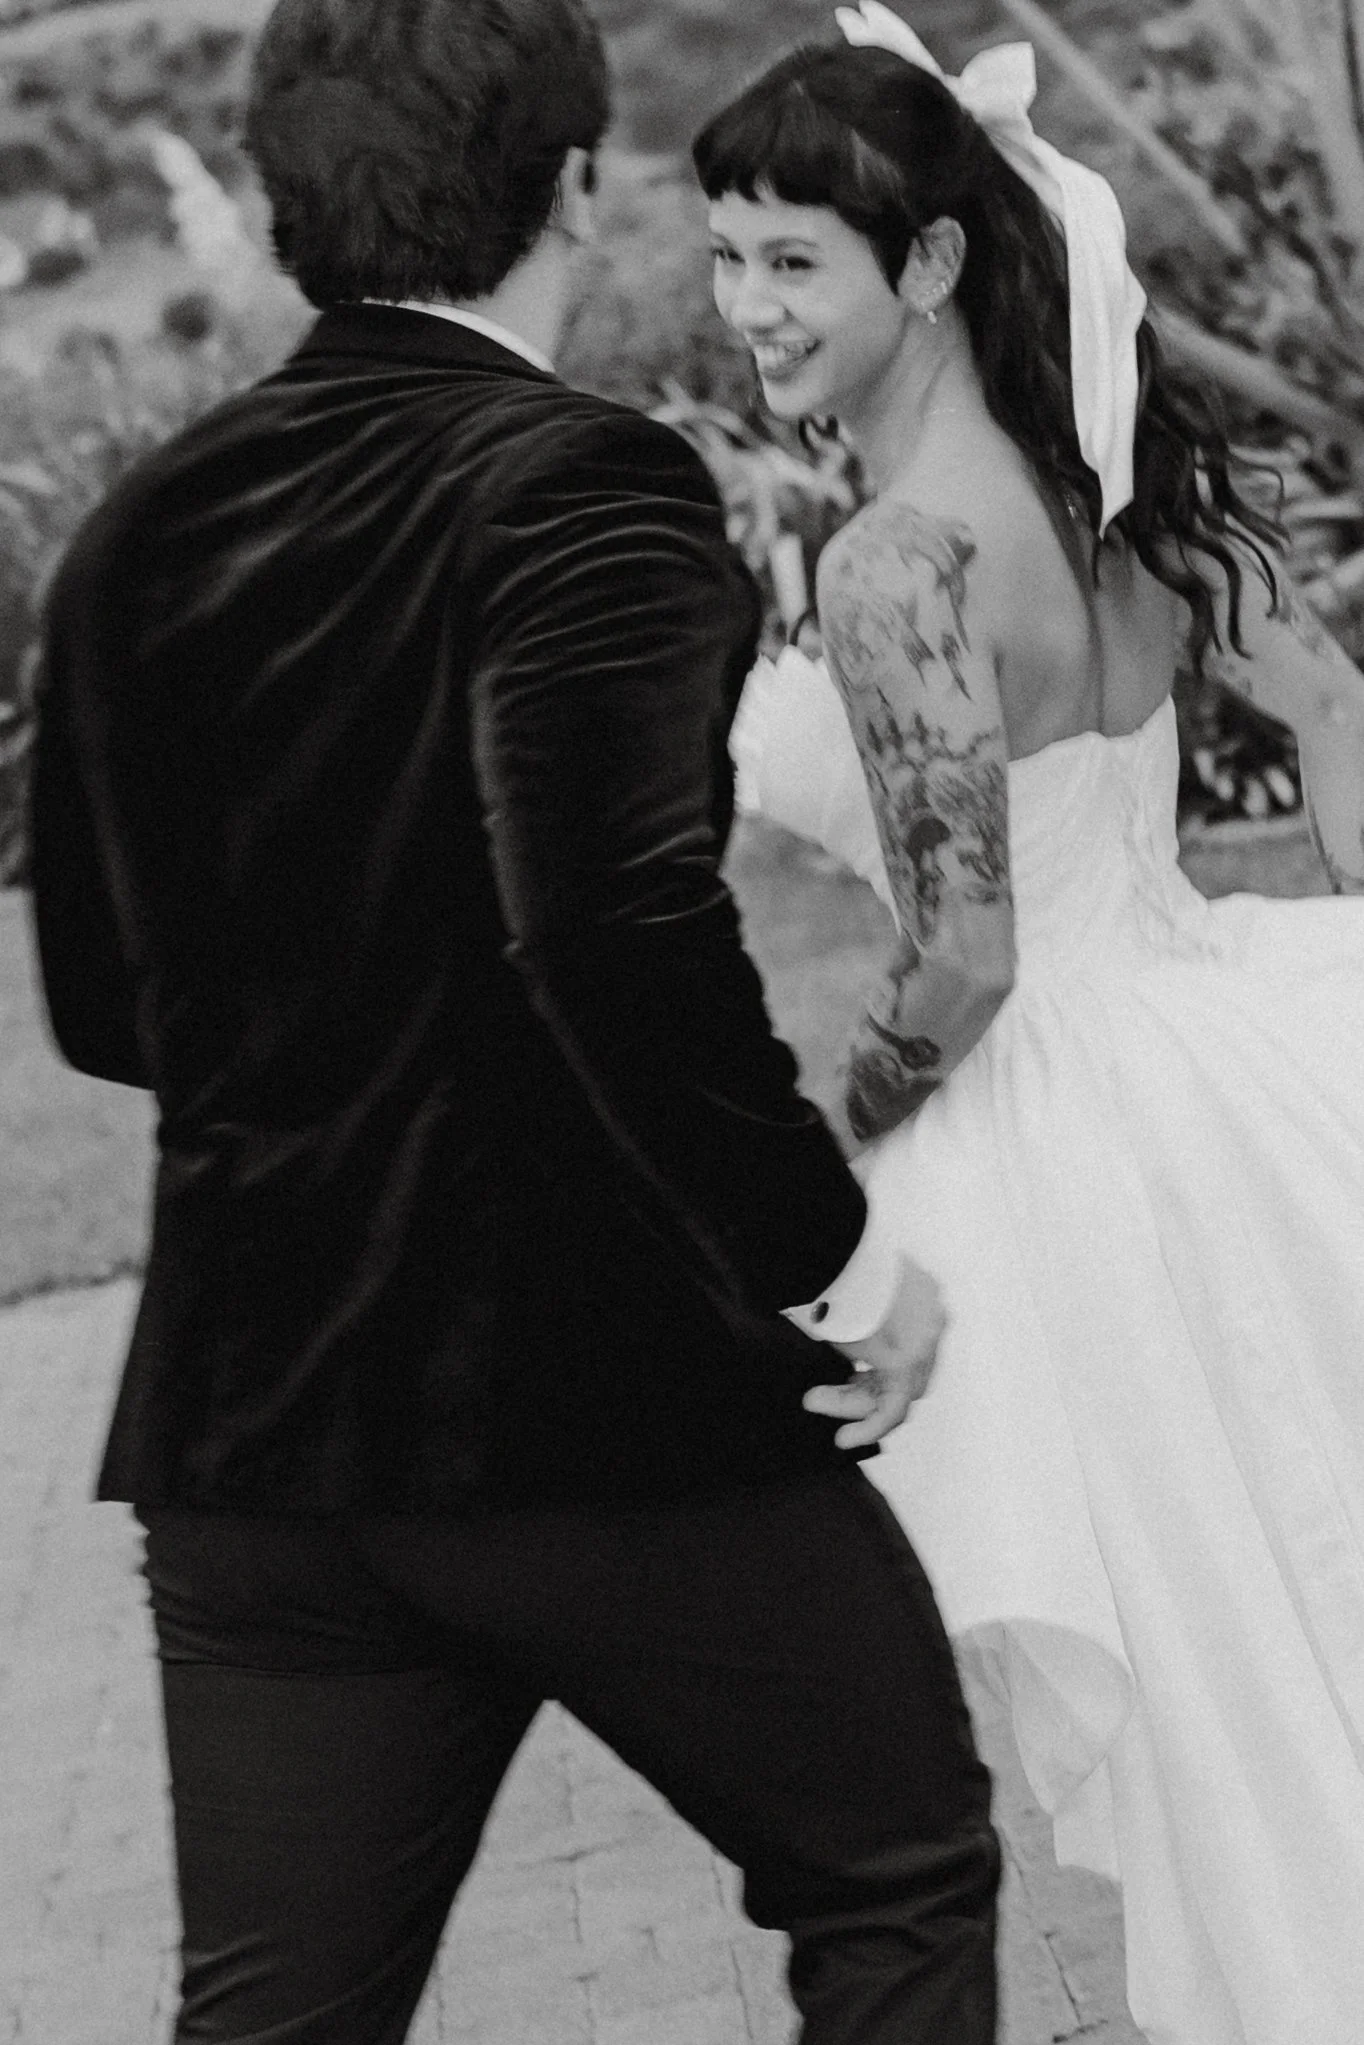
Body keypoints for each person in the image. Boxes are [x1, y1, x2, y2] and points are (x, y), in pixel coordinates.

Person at [27, 1, 1006, 2038]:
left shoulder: (132, 536)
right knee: (897, 1874)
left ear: (286, 195)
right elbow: (616, 930)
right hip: (597, 1399)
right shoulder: (588, 482)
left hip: (259, 1438)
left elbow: (109, 1006)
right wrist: (839, 1267)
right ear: (570, 184)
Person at [696, 7, 1364, 2044]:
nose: (746, 306)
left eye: (791, 258)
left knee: (1223, 1664)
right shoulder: (1116, 480)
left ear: (925, 265)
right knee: (1303, 1588)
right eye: (725, 255)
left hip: (1059, 1134)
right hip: (1221, 1056)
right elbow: (1332, 706)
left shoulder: (899, 562)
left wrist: (842, 1122)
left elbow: (968, 954)